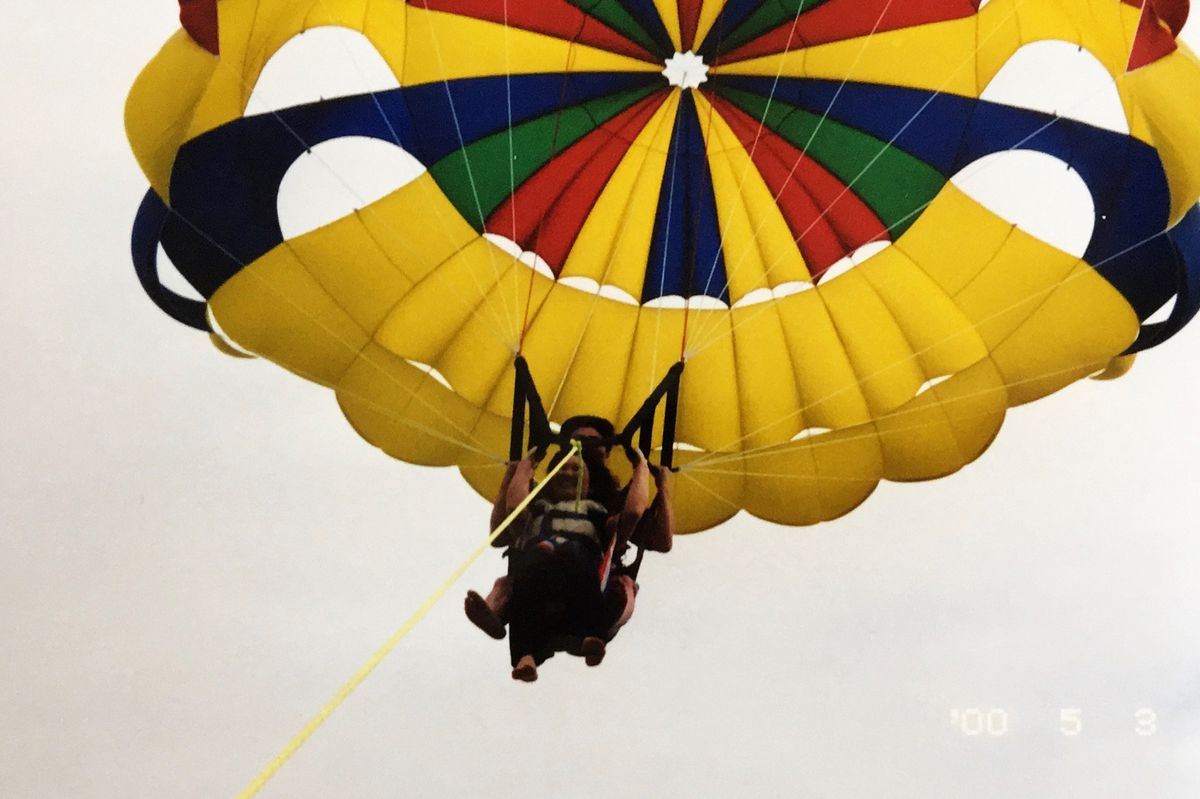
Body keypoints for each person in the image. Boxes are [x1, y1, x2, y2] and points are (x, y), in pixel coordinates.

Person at [465, 445, 649, 681]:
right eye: (562, 468)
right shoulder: (536, 511)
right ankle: (523, 654)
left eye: (576, 469)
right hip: (536, 578)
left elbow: (633, 513)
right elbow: (513, 507)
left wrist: (641, 466)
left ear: (588, 484)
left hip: (580, 579)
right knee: (521, 582)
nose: (568, 473)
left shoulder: (597, 516)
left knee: (571, 559)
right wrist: (527, 464)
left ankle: (588, 636)